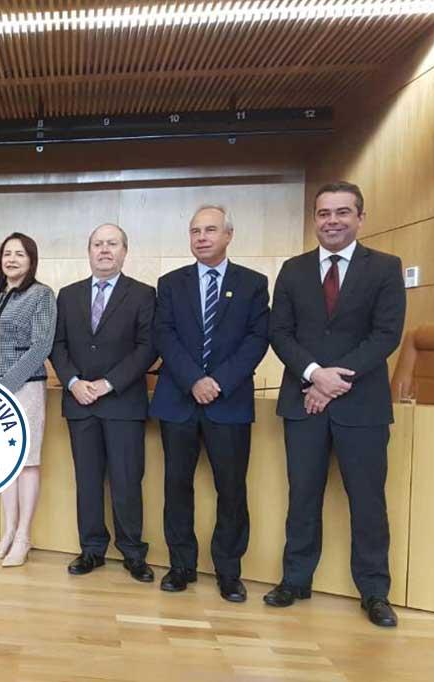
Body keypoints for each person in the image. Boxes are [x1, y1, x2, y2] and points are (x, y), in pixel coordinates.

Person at [265, 181, 405, 627]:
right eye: (324, 213)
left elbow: (386, 335)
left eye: (343, 212)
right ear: (315, 219)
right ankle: (295, 580)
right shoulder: (293, 270)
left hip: (361, 406)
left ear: (360, 218)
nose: (332, 221)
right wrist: (313, 374)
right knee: (302, 496)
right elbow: (279, 332)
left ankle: (374, 592)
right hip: (303, 402)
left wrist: (332, 381)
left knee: (367, 501)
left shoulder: (385, 267)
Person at [150, 206, 269, 602]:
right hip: (178, 400)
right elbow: (164, 335)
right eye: (195, 231)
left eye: (210, 230)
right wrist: (194, 380)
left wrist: (218, 381)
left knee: (231, 490)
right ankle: (181, 565)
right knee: (176, 486)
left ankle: (229, 571)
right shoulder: (170, 283)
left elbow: (258, 339)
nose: (202, 237)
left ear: (228, 235)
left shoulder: (253, 284)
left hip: (229, 401)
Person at [50, 223, 156, 580]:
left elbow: (148, 347)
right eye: (98, 244)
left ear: (125, 251)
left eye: (112, 244)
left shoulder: (143, 294)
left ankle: (133, 552)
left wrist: (109, 383)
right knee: (88, 482)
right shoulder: (68, 295)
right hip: (80, 402)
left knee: (127, 482)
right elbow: (57, 344)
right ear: (89, 251)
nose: (105, 250)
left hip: (122, 402)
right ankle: (91, 550)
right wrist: (73, 382)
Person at [0, 233, 56, 567]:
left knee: (27, 462)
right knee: (5, 464)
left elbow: (42, 345)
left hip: (25, 389)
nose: (11, 259)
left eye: (19, 254)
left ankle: (23, 536)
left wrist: (6, 384)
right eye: (7, 253)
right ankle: (7, 533)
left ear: (31, 260)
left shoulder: (41, 295)